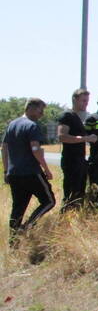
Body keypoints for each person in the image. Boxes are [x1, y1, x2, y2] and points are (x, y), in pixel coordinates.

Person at [2, 98, 56, 239]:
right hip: (31, 172)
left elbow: (4, 149)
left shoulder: (11, 125)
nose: (42, 114)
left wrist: (6, 170)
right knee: (49, 201)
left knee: (18, 208)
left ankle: (13, 244)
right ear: (31, 108)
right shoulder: (32, 125)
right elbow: (35, 149)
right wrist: (46, 169)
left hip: (14, 174)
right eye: (40, 110)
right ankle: (27, 226)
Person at [56, 88, 97, 212]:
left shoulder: (77, 118)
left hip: (79, 161)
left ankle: (74, 222)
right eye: (83, 101)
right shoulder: (67, 115)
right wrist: (86, 138)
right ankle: (64, 221)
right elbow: (62, 136)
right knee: (71, 195)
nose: (86, 103)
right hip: (71, 161)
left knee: (79, 194)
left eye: (87, 101)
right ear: (74, 100)